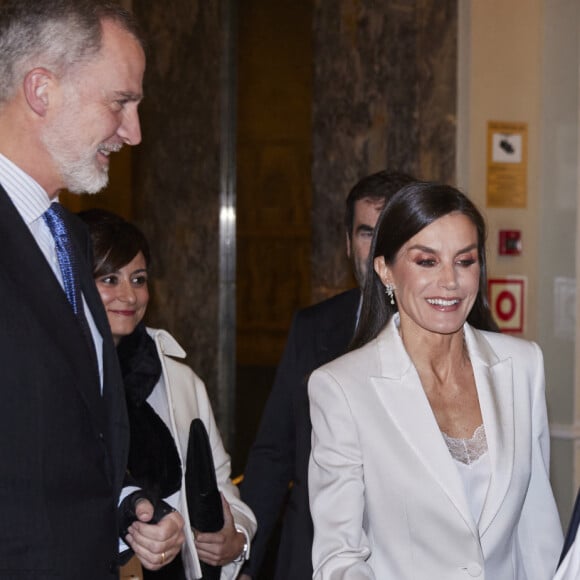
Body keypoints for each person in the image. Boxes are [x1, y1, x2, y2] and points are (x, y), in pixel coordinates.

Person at [0, 1, 184, 577]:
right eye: (119, 102)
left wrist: (126, 506)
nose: (132, 132)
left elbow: (61, 433)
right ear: (41, 89)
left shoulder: (70, 237)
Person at [308, 181, 563, 579]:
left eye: (465, 261)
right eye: (427, 261)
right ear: (385, 270)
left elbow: (537, 533)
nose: (450, 282)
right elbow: (338, 559)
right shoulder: (342, 388)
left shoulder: (523, 365)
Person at [239, 171, 414, 579]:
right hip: (311, 553)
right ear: (347, 242)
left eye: (392, 233)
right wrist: (245, 562)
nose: (377, 250)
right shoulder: (314, 327)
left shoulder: (448, 332)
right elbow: (274, 453)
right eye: (366, 233)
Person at [78, 208, 257, 580]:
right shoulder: (52, 377)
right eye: (109, 278)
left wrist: (235, 537)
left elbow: (221, 483)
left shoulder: (178, 377)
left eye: (138, 279)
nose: (128, 295)